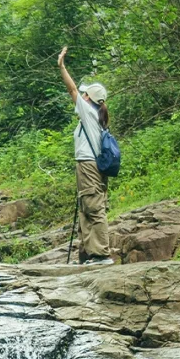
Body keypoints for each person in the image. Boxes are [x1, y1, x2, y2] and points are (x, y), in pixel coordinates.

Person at [57, 47, 113, 266]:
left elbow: (71, 89)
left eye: (85, 93)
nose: (82, 95)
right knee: (88, 206)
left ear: (89, 97)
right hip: (90, 166)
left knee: (93, 207)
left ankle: (102, 254)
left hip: (88, 165)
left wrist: (62, 66)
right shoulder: (95, 115)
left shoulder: (88, 111)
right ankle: (92, 254)